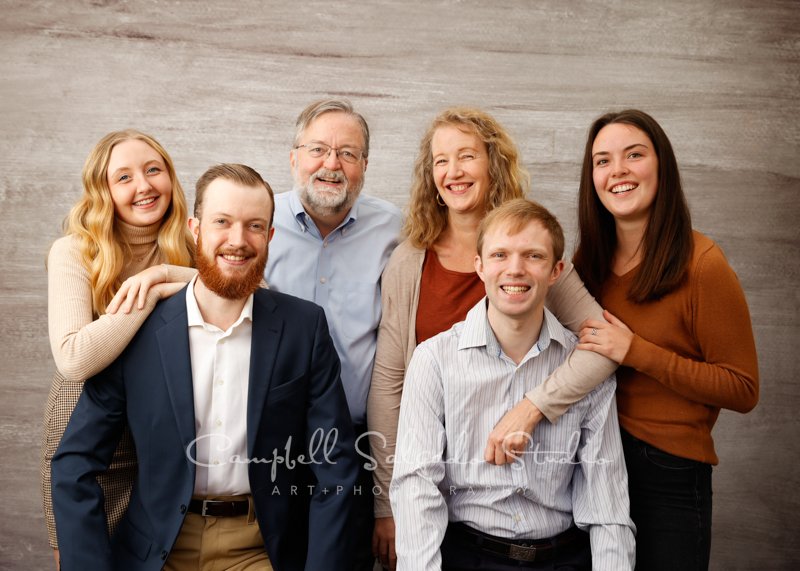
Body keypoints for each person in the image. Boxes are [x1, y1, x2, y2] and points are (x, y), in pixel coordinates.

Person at [52, 164, 359, 570]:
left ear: (269, 237)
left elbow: (336, 467)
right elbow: (75, 463)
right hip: (158, 549)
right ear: (196, 228)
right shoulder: (139, 329)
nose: (238, 241)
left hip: (261, 547)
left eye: (254, 226)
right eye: (222, 222)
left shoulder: (304, 327)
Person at [367, 107, 618, 569]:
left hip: (541, 488)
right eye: (441, 161)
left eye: (467, 156)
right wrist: (387, 504)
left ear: (493, 165)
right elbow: (389, 382)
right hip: (446, 506)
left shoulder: (529, 253)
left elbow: (605, 346)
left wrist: (534, 406)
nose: (453, 172)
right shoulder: (409, 261)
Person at [391, 199, 635, 570]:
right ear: (480, 266)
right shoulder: (434, 360)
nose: (515, 270)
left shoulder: (585, 368)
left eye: (533, 256)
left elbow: (607, 504)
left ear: (556, 271)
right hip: (466, 556)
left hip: (564, 558)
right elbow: (416, 489)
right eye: (500, 255)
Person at [572, 109, 759, 570]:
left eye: (634, 155)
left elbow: (743, 389)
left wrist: (635, 351)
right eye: (603, 160)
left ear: (662, 166)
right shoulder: (588, 259)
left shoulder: (703, 264)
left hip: (669, 474)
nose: (617, 171)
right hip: (591, 461)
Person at [41, 129, 196, 566]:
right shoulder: (74, 251)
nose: (144, 186)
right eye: (123, 177)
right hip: (85, 442)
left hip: (163, 438)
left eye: (153, 170)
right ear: (103, 190)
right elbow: (75, 357)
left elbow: (257, 290)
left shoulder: (190, 247)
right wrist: (147, 292)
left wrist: (169, 272)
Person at [264, 99, 402, 570]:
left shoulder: (396, 231)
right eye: (318, 149)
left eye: (347, 153)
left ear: (365, 165)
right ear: (293, 157)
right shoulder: (257, 223)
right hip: (267, 445)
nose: (331, 164)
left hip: (358, 445)